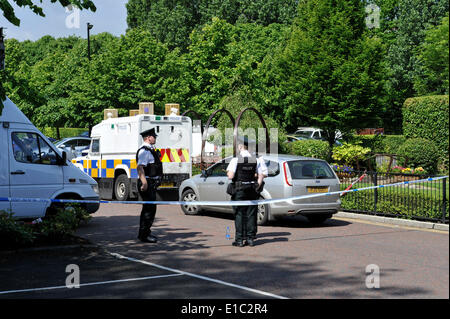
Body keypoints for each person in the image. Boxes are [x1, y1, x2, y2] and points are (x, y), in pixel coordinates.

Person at [226, 137, 268, 247]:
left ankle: (239, 240)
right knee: (251, 214)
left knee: (239, 214)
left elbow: (230, 176)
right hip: (252, 189)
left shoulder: (236, 160)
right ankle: (250, 239)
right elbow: (261, 175)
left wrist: (229, 173)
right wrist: (257, 185)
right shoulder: (256, 159)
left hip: (240, 190)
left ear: (240, 147)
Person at [136, 127, 163, 243]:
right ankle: (144, 235)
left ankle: (144, 232)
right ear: (148, 138)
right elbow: (140, 167)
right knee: (149, 210)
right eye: (153, 136)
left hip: (151, 182)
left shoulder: (150, 149)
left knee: (149, 209)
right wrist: (144, 183)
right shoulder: (144, 151)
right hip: (147, 182)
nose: (155, 138)